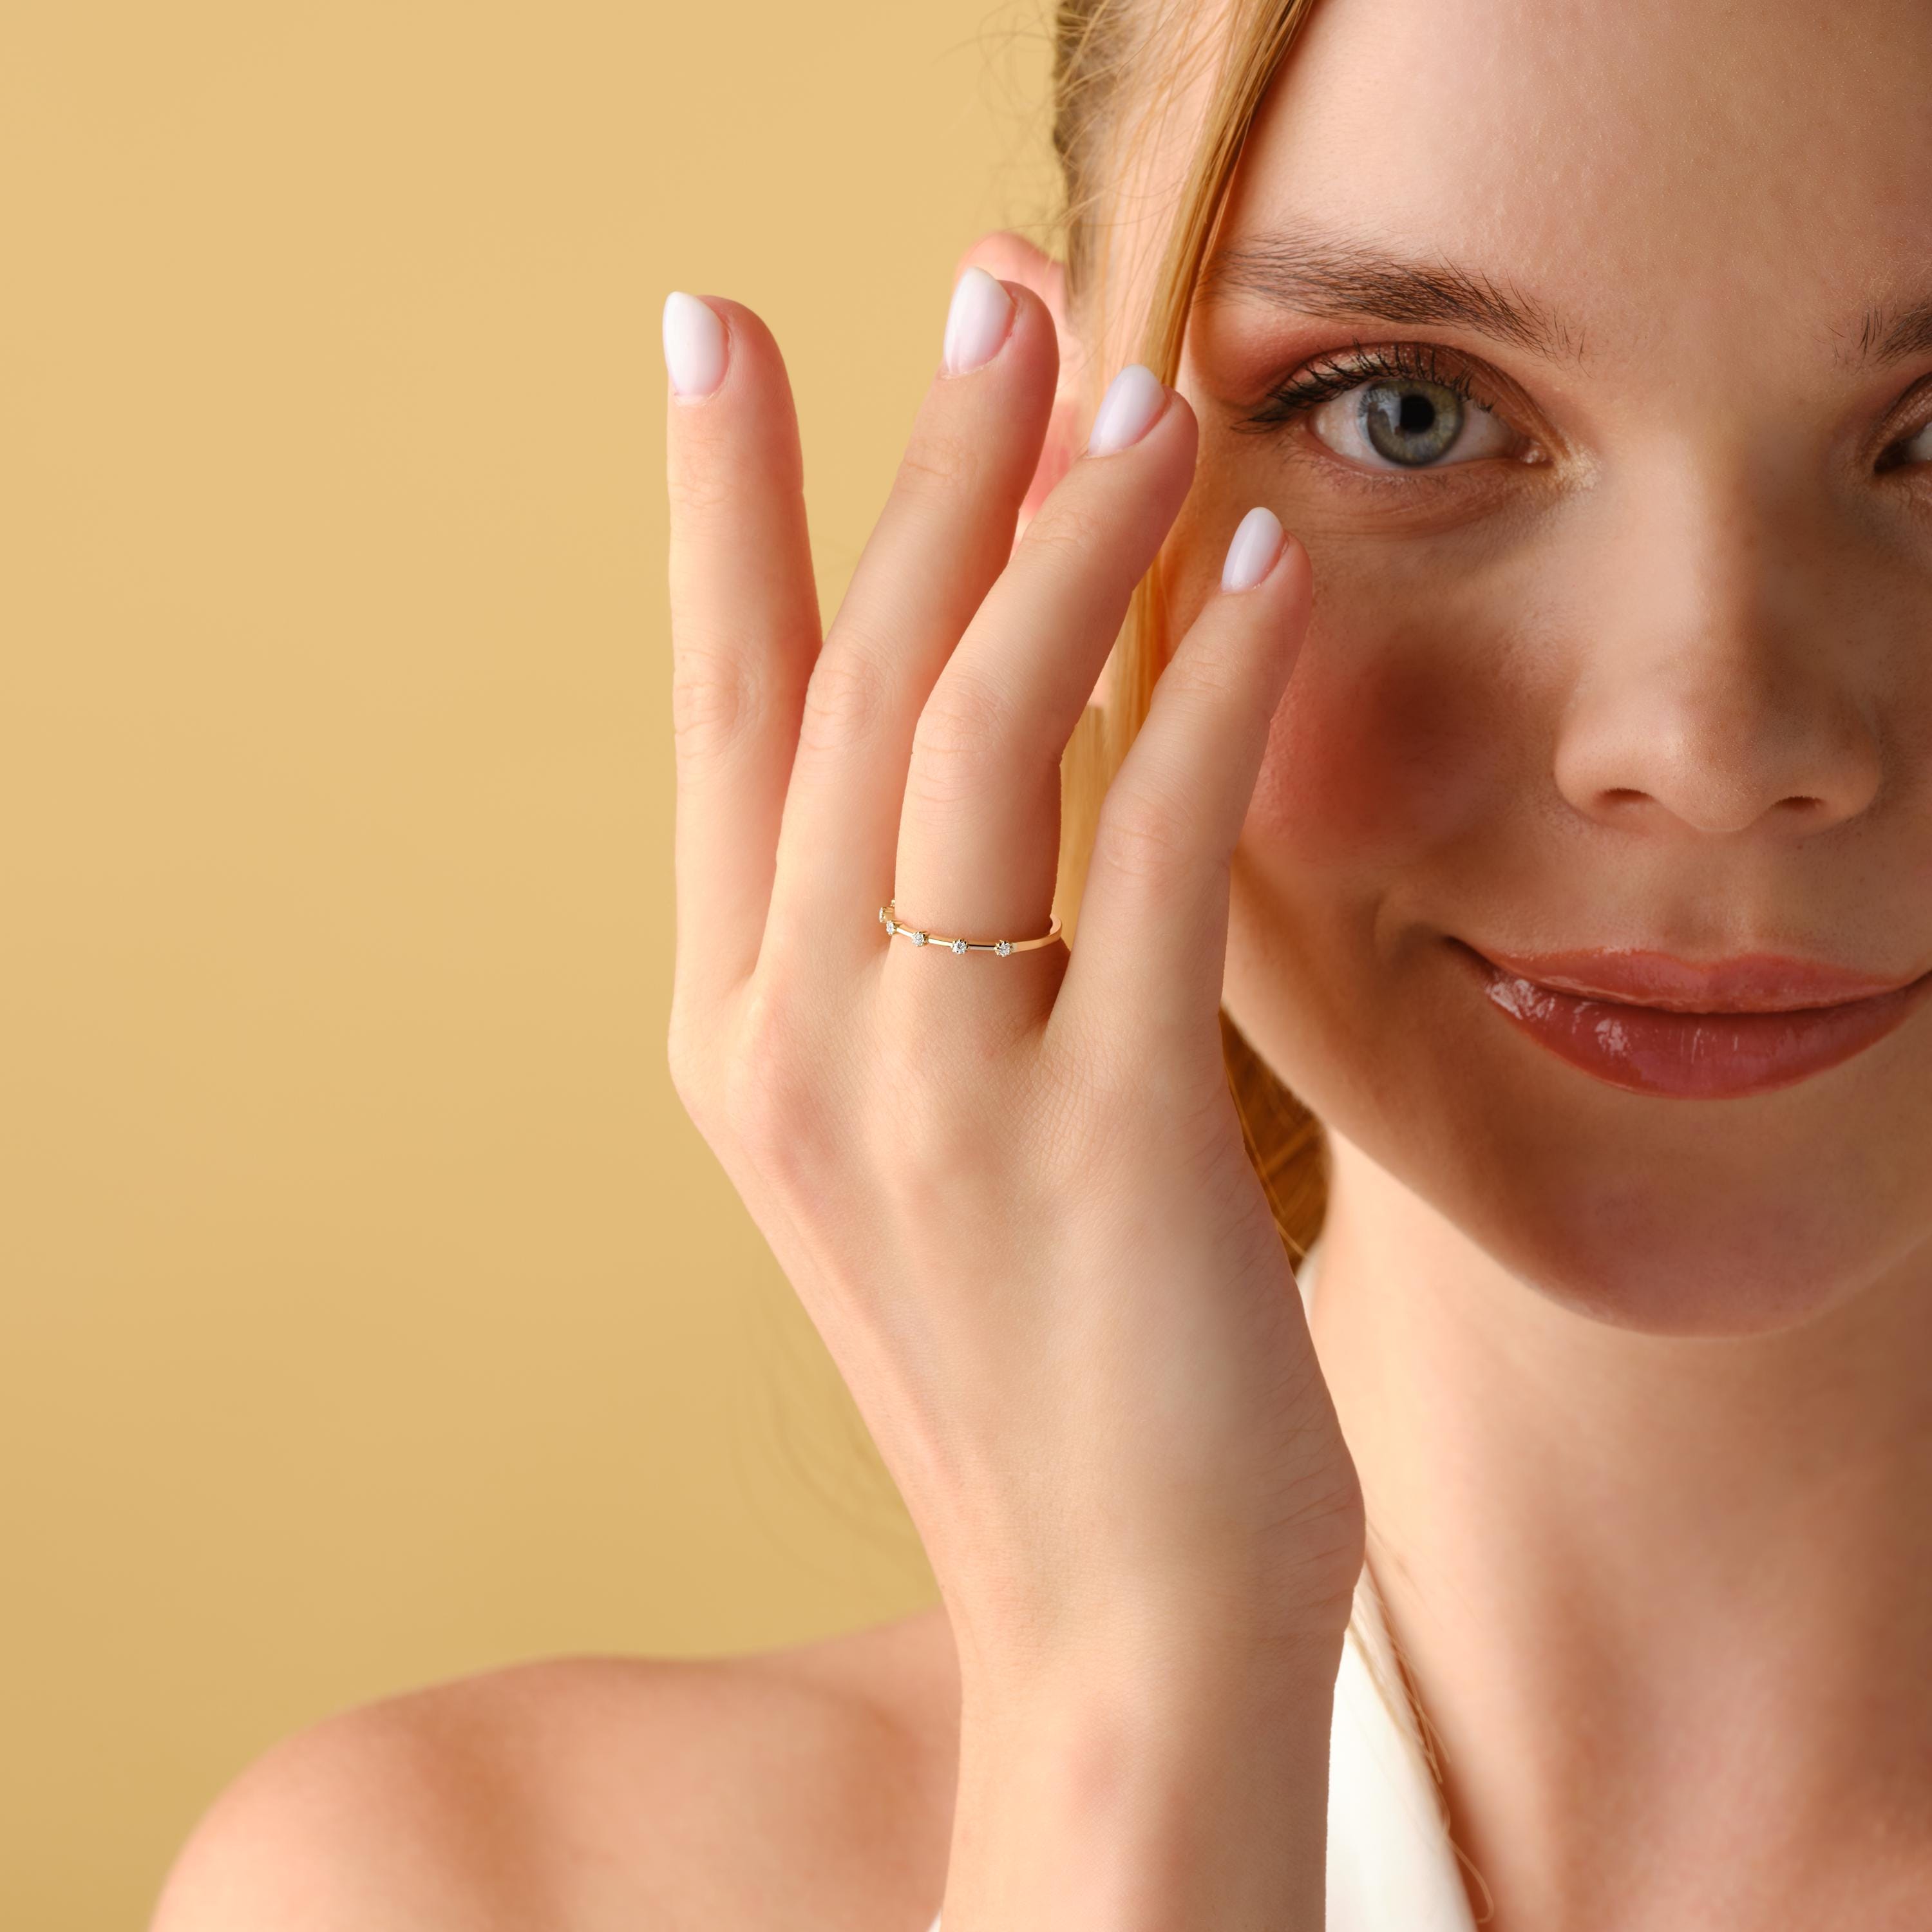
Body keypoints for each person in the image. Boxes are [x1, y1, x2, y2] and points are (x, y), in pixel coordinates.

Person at [151, 0, 1932, 1925]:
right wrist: (1133, 1711)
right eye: (1402, 410)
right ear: (1050, 485)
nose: (1717, 742)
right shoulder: (457, 1891)